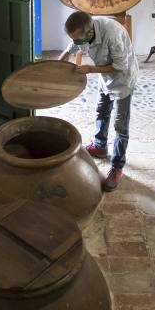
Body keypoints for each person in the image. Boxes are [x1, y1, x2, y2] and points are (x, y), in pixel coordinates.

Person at [58, 11, 139, 192]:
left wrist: (91, 69)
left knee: (120, 126)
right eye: (74, 38)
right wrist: (62, 58)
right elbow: (73, 45)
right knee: (101, 111)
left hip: (123, 80)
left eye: (79, 39)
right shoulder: (84, 32)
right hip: (105, 78)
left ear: (89, 31)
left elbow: (120, 66)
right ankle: (100, 146)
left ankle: (117, 167)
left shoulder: (112, 34)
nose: (76, 42)